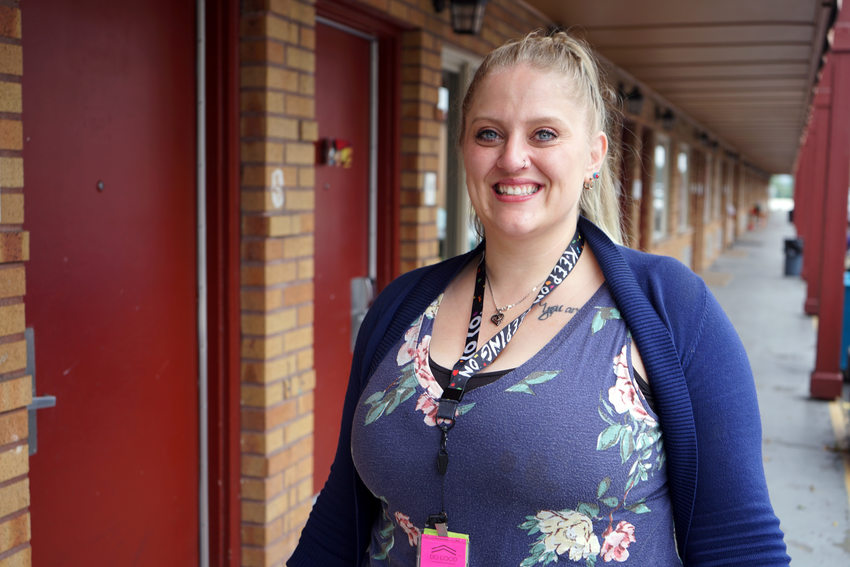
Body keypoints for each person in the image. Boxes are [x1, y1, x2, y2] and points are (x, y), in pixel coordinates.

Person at [289, 30, 789, 566]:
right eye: (488, 134)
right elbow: (340, 520)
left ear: (594, 154)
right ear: (463, 149)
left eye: (544, 134)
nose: (512, 158)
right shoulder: (401, 308)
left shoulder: (671, 310)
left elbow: (740, 546)